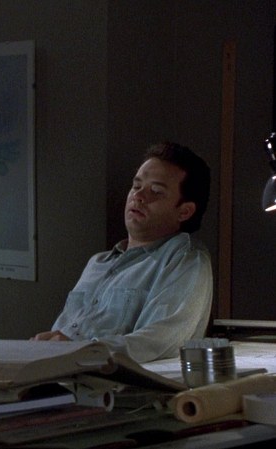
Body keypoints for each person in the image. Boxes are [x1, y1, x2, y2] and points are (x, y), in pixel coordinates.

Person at [32, 142, 212, 363]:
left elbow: (160, 341)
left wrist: (82, 350)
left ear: (184, 211)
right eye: (136, 186)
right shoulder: (98, 263)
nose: (139, 196)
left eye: (156, 191)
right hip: (57, 371)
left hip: (108, 379)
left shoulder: (184, 258)